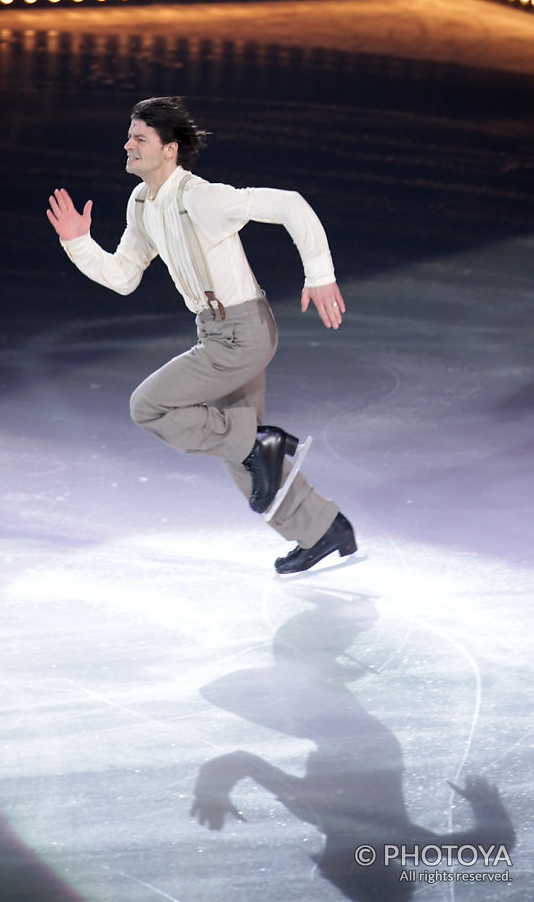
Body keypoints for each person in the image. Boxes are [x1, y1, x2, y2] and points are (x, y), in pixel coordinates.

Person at [46, 96, 356, 574]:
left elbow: (289, 204)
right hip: (217, 330)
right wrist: (77, 242)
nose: (127, 145)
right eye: (129, 136)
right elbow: (125, 276)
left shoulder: (202, 198)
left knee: (150, 407)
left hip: (242, 332)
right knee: (242, 455)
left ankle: (260, 445)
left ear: (169, 150)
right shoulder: (142, 202)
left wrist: (320, 274)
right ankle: (322, 529)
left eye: (139, 138)